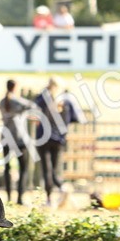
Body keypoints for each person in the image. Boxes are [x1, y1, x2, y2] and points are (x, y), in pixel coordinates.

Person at [34, 77, 81, 206]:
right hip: (59, 138)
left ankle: (50, 199)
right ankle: (62, 187)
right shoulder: (66, 100)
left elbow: (33, 113)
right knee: (55, 170)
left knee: (46, 170)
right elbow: (76, 118)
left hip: (43, 137)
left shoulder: (42, 99)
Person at [0, 79, 36, 205]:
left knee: (7, 168)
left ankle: (9, 197)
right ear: (15, 87)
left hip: (6, 137)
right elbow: (31, 105)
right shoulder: (16, 101)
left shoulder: (2, 102)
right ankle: (19, 198)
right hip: (19, 139)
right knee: (23, 169)